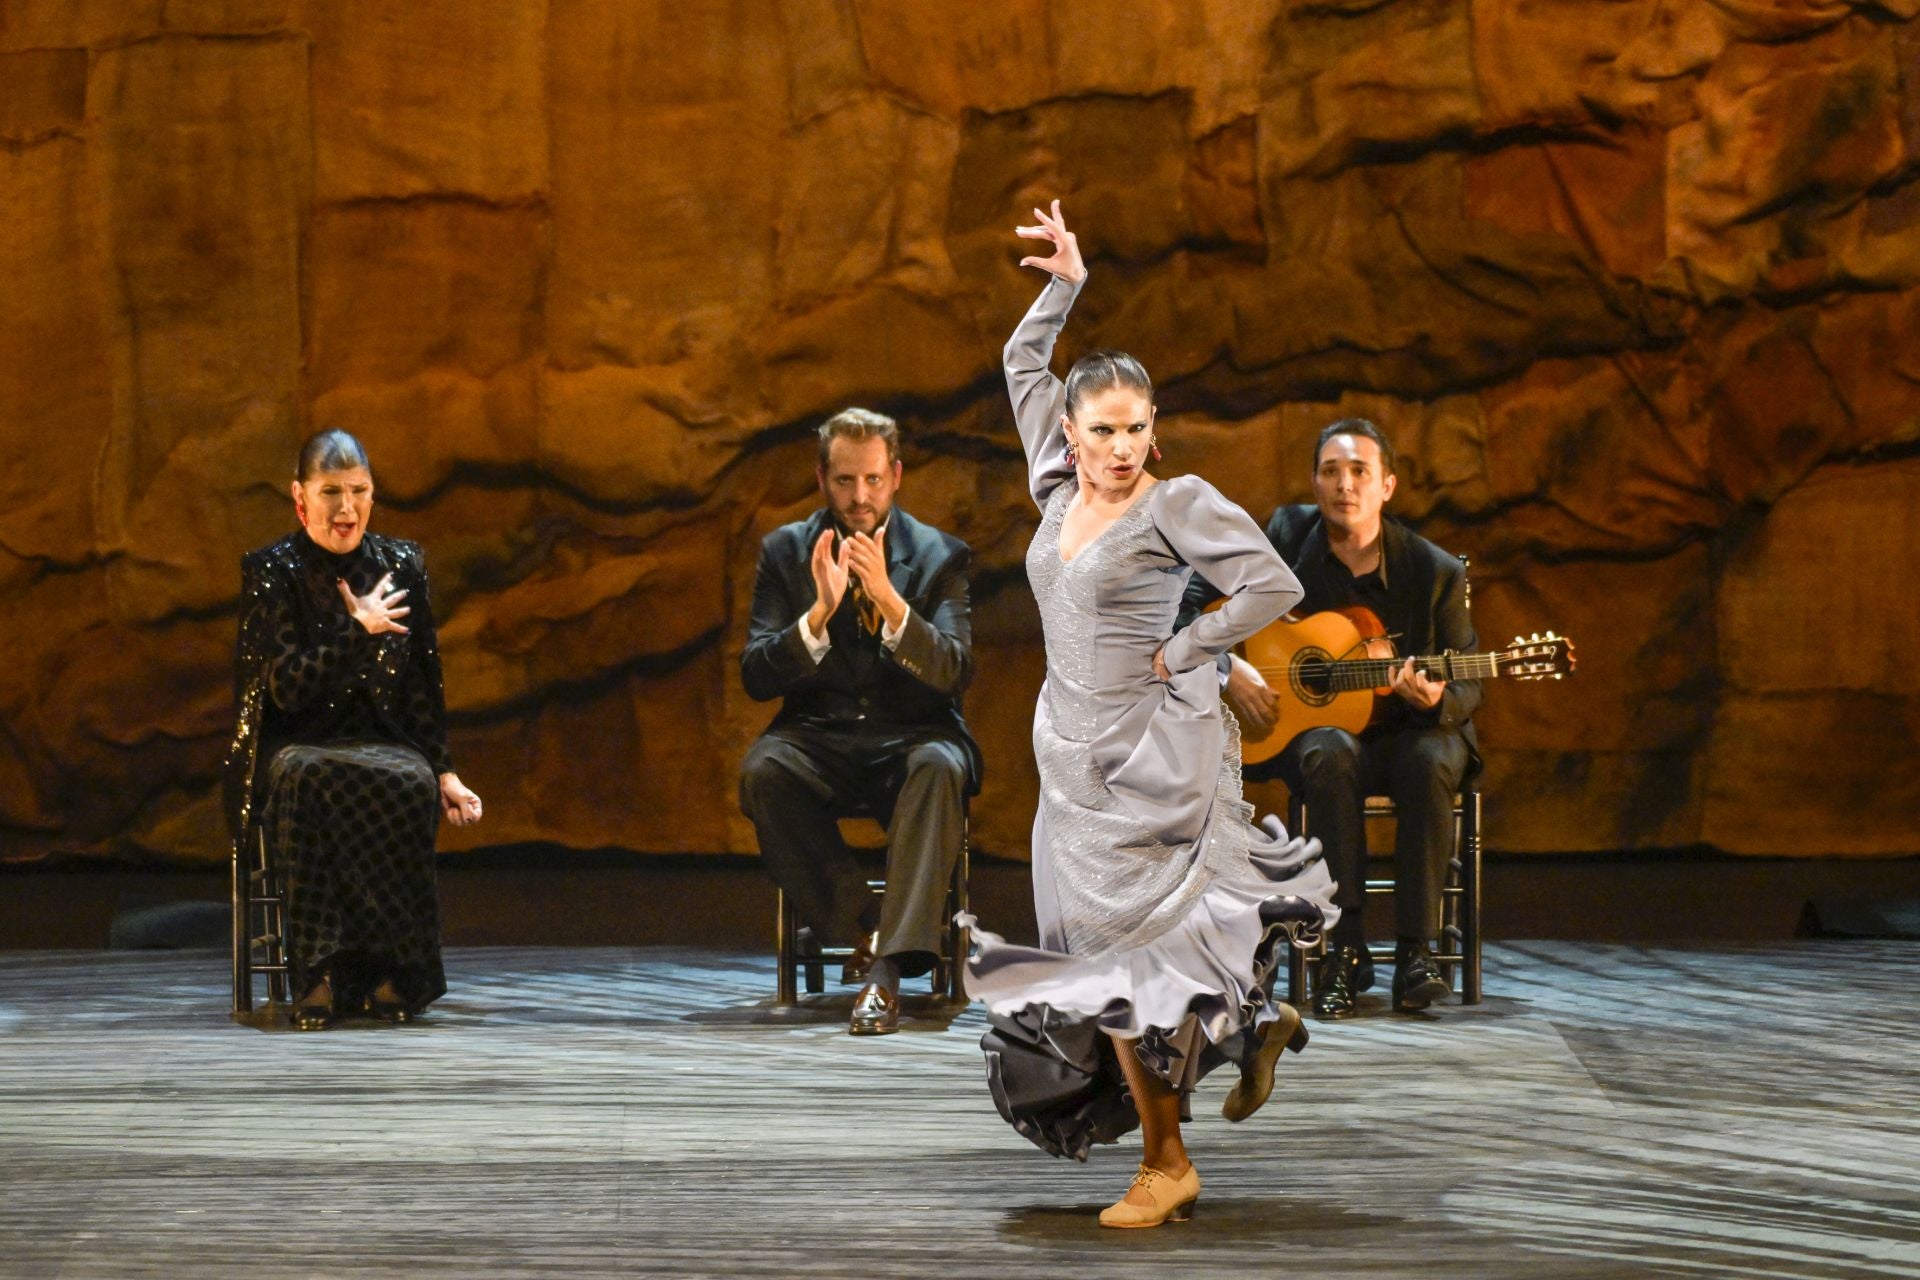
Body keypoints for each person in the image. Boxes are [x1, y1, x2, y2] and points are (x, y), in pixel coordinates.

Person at [961, 202, 1337, 1229]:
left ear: (1151, 426)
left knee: (1131, 961)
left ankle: (1168, 1160)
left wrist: (1189, 647)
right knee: (1104, 960)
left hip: (1147, 751)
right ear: (1073, 435)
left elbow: (1269, 585)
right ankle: (1251, 1022)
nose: (1122, 446)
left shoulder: (1176, 503)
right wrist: (1067, 282)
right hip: (1068, 760)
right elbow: (1022, 358)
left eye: (1136, 426)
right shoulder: (1055, 487)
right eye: (1103, 430)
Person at [1181, 418, 1480, 1019]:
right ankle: (1345, 949)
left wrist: (1435, 698)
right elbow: (1189, 600)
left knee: (1427, 761)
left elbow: (1469, 681)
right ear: (1315, 483)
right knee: (1329, 750)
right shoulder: (1283, 539)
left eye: (1360, 472)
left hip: (1411, 732)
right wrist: (1226, 669)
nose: (1345, 484)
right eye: (1330, 471)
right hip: (1319, 737)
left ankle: (1417, 954)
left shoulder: (1435, 570)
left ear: (1387, 486)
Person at [225, 429, 483, 1031]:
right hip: (297, 745)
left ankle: (393, 968)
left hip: (382, 743)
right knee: (307, 774)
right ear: (300, 497)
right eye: (331, 492)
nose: (347, 509)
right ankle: (320, 972)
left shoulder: (401, 566)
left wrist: (444, 769)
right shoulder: (273, 571)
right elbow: (284, 687)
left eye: (359, 491)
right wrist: (354, 632)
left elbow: (422, 685)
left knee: (409, 779)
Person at [739, 408, 980, 1037]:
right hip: (819, 738)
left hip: (914, 736)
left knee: (938, 766)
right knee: (764, 772)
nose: (860, 497)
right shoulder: (787, 552)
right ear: (822, 479)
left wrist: (893, 604)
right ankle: (869, 931)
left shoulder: (939, 556)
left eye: (872, 480)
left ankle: (884, 979)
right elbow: (756, 676)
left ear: (896, 475)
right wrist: (817, 615)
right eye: (845, 481)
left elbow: (954, 671)